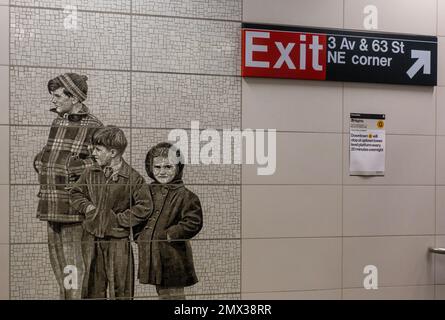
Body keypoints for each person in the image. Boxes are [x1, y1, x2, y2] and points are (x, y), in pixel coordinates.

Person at [33, 73, 103, 299]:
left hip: (73, 209)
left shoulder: (94, 126)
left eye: (57, 95)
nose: (53, 100)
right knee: (60, 267)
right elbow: (50, 154)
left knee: (74, 266)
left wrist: (73, 167)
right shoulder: (57, 121)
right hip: (51, 204)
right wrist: (41, 160)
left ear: (73, 97)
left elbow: (101, 162)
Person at [70, 126, 152, 299]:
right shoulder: (90, 172)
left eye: (98, 149)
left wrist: (118, 220)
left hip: (118, 242)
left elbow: (145, 206)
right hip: (91, 239)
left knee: (121, 291)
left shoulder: (133, 177)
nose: (93, 153)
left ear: (113, 152)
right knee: (92, 290)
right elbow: (76, 193)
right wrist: (88, 208)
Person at [135, 142, 203, 299]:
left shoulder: (186, 196)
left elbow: (193, 222)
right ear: (150, 169)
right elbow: (139, 213)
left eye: (168, 167)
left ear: (178, 168)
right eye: (157, 167)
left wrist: (169, 235)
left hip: (173, 256)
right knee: (162, 292)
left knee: (173, 294)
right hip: (152, 255)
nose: (162, 172)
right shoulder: (147, 192)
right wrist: (140, 236)